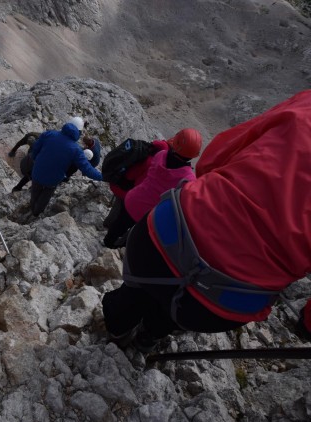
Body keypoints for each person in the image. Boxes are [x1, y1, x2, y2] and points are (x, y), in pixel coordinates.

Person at [101, 90, 311, 353]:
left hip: (165, 232)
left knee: (136, 290)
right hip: (230, 299)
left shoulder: (307, 105)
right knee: (175, 314)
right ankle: (148, 338)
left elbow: (216, 157)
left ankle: (117, 331)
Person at [102, 129, 202, 248]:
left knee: (119, 223)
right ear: (194, 155)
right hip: (148, 215)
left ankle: (107, 242)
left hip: (133, 199)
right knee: (134, 234)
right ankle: (118, 248)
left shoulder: (161, 155)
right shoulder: (188, 179)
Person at [29, 117, 103, 216]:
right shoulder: (76, 150)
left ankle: (32, 206)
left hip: (37, 172)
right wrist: (102, 176)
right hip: (52, 179)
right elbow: (87, 169)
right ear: (79, 132)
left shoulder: (49, 134)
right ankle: (36, 213)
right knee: (45, 197)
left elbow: (35, 148)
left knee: (34, 192)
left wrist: (35, 159)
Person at [10, 133, 101, 192]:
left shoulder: (84, 156)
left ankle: (19, 187)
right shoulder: (78, 159)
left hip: (37, 166)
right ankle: (28, 188)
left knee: (31, 174)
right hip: (44, 169)